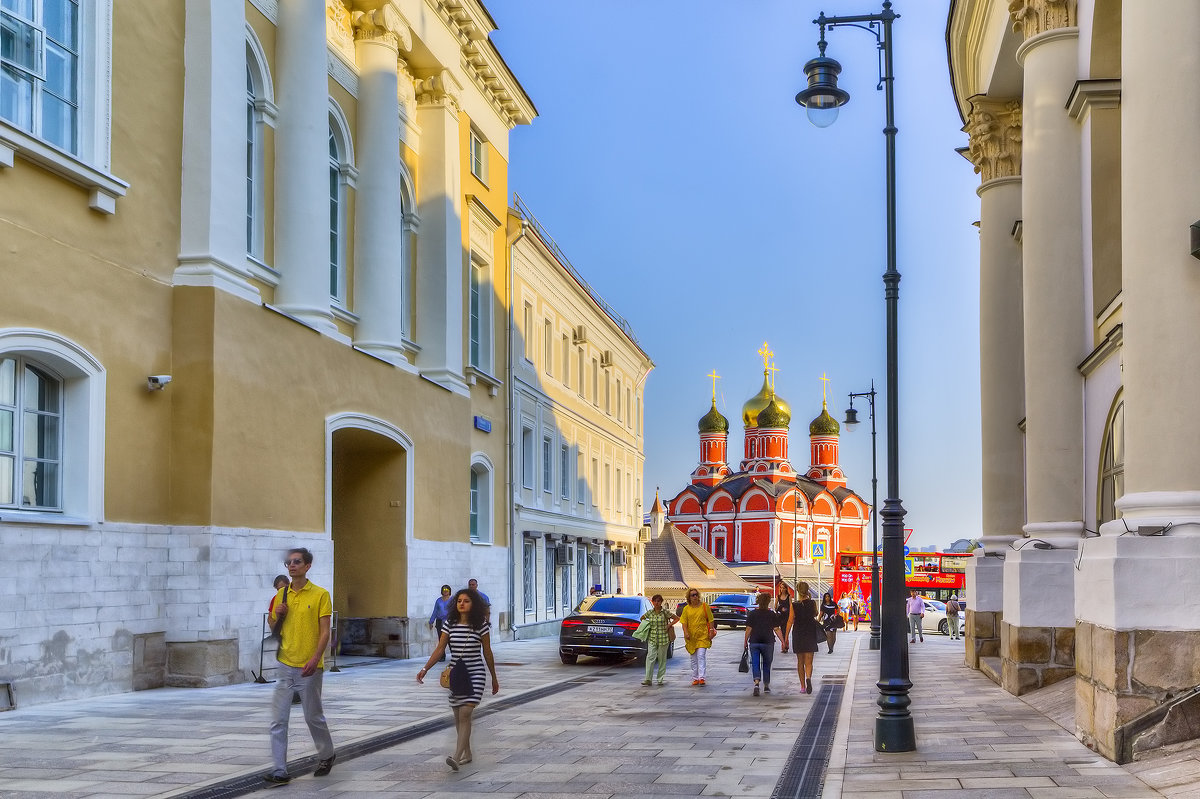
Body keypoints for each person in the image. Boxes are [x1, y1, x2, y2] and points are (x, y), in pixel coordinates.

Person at [265, 548, 335, 785]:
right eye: (289, 563)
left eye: (297, 562)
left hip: (310, 666)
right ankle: (279, 770)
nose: (292, 566)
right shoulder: (281, 595)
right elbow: (274, 630)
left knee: (312, 716)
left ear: (307, 566)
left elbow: (325, 631)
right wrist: (276, 616)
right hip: (286, 663)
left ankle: (327, 755)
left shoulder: (320, 595)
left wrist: (316, 659)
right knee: (278, 719)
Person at [416, 588, 499, 771]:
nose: (462, 603)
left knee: (465, 714)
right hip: (456, 673)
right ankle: (467, 753)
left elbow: (487, 652)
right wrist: (425, 669)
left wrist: (494, 677)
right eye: (459, 600)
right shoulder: (449, 624)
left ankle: (456, 756)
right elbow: (440, 650)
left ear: (473, 604)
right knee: (458, 716)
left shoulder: (481, 626)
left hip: (475, 672)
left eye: (466, 601)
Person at [743, 593, 785, 696]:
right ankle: (766, 685)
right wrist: (783, 641)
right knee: (767, 663)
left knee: (755, 663)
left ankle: (756, 684)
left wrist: (745, 641)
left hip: (755, 641)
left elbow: (749, 628)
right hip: (768, 641)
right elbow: (776, 629)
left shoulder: (752, 614)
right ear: (767, 602)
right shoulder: (771, 614)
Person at [678, 588, 715, 686]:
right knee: (693, 658)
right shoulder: (686, 609)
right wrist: (685, 633)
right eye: (692, 595)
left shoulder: (704, 606)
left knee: (701, 656)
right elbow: (684, 622)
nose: (694, 597)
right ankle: (695, 677)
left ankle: (701, 677)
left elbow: (711, 620)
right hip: (691, 637)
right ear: (689, 597)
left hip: (703, 635)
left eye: (696, 595)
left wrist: (711, 631)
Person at [638, 594, 677, 686]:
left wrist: (669, 625)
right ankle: (648, 679)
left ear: (661, 602)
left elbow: (676, 618)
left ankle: (660, 678)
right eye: (655, 601)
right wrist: (647, 625)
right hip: (652, 638)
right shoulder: (650, 612)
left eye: (659, 601)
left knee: (662, 659)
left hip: (663, 638)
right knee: (650, 657)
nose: (657, 603)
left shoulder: (665, 612)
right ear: (652, 602)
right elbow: (642, 618)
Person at [785, 597, 822, 694]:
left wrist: (786, 637)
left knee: (800, 662)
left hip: (798, 633)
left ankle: (802, 687)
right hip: (810, 632)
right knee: (809, 662)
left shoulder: (794, 605)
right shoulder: (812, 603)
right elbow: (816, 614)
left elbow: (790, 621)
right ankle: (808, 677)